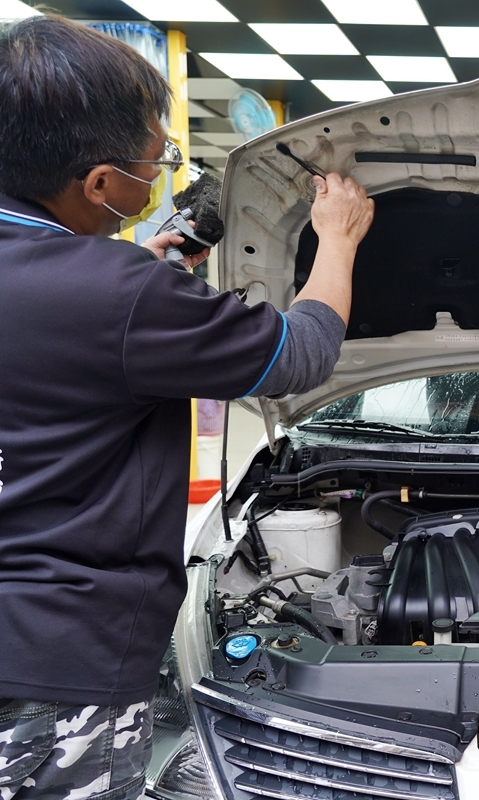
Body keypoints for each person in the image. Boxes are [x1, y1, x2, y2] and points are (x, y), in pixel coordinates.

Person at [0, 14, 374, 799]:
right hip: (58, 664)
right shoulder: (121, 295)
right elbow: (298, 355)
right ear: (99, 183)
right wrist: (335, 238)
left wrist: (131, 278)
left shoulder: (110, 286)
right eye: (156, 158)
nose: (163, 174)